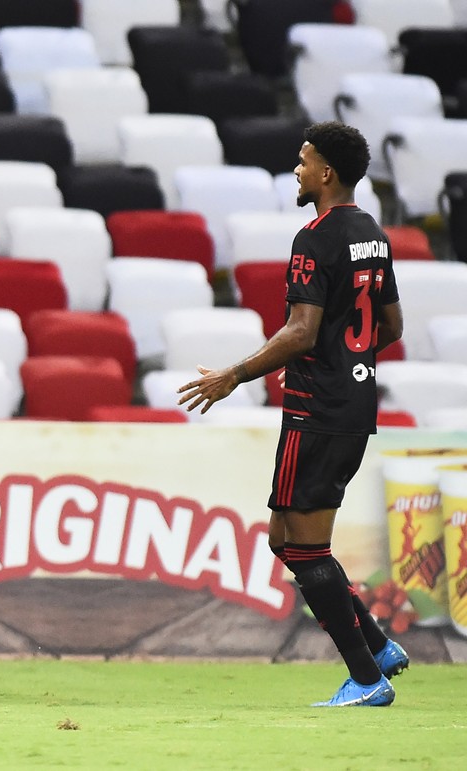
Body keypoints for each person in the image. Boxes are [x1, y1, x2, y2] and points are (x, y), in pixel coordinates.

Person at [177, 121, 407, 708]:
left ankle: (366, 678)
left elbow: (301, 331)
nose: (297, 170)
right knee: (284, 537)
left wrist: (233, 375)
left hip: (318, 411)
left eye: (304, 161)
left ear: (327, 172)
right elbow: (390, 326)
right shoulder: (373, 234)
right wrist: (339, 360)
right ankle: (378, 646)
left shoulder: (315, 238)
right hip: (352, 405)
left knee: (304, 547)